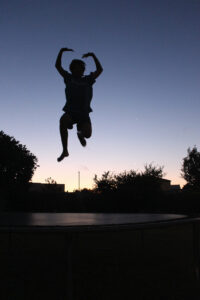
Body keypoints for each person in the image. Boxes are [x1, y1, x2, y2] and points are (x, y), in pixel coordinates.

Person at [55, 47, 103, 162]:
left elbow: (100, 69)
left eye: (80, 68)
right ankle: (65, 150)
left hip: (84, 113)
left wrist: (93, 55)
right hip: (71, 111)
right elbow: (58, 66)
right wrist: (61, 52)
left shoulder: (88, 79)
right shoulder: (68, 78)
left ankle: (79, 132)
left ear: (83, 70)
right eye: (76, 68)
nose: (78, 70)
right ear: (72, 69)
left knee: (88, 135)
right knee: (63, 120)